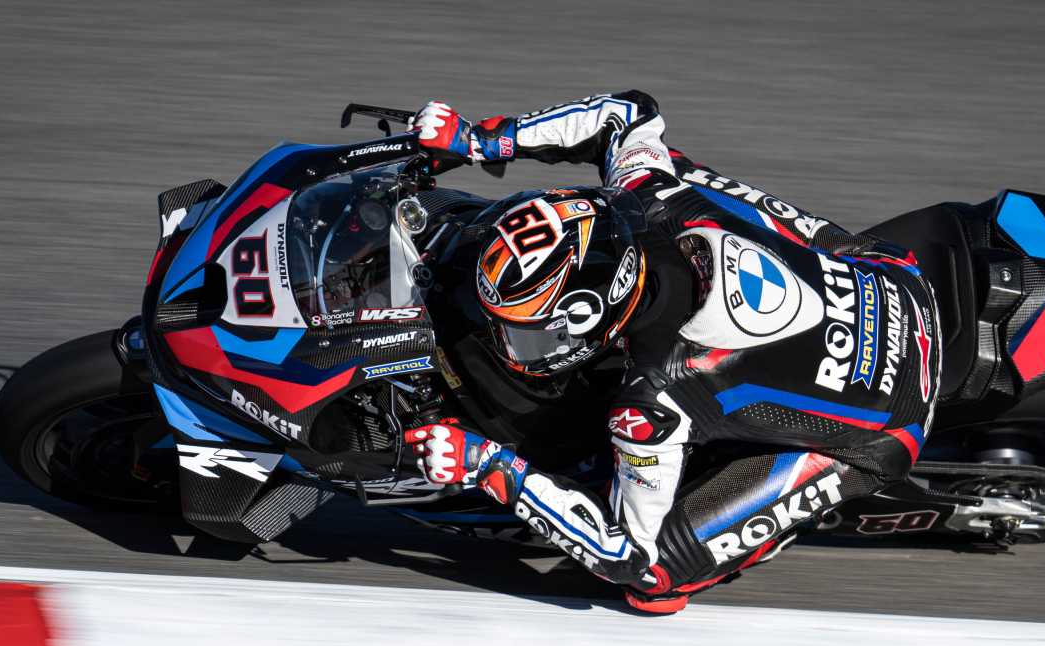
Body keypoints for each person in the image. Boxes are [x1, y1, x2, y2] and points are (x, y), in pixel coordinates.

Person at [403, 92, 940, 613]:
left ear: (593, 310)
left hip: (890, 425)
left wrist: (491, 465)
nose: (505, 344)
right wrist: (479, 141)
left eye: (528, 333)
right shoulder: (645, 189)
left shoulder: (651, 402)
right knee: (678, 183)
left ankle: (770, 517)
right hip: (892, 274)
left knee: (654, 578)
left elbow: (623, 553)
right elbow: (626, 112)